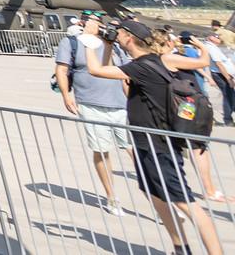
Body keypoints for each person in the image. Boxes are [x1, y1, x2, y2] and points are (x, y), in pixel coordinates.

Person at [85, 18, 225, 255]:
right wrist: (107, 44)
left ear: (130, 38)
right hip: (146, 142)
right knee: (155, 195)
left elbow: (96, 70)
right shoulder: (155, 62)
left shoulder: (140, 67)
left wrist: (88, 39)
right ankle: (180, 247)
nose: (116, 35)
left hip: (157, 144)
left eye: (119, 33)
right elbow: (109, 70)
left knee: (187, 202)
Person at [54, 15, 128, 212]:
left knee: (136, 150)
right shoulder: (71, 43)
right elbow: (61, 70)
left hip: (120, 103)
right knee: (102, 150)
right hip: (91, 103)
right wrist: (65, 95)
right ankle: (112, 196)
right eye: (89, 20)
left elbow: (117, 70)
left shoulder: (112, 43)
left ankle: (159, 196)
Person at [165, 30, 225, 201]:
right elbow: (202, 62)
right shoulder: (181, 55)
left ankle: (208, 189)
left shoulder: (169, 58)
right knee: (197, 146)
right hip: (192, 102)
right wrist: (200, 46)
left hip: (186, 104)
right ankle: (209, 189)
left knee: (194, 146)